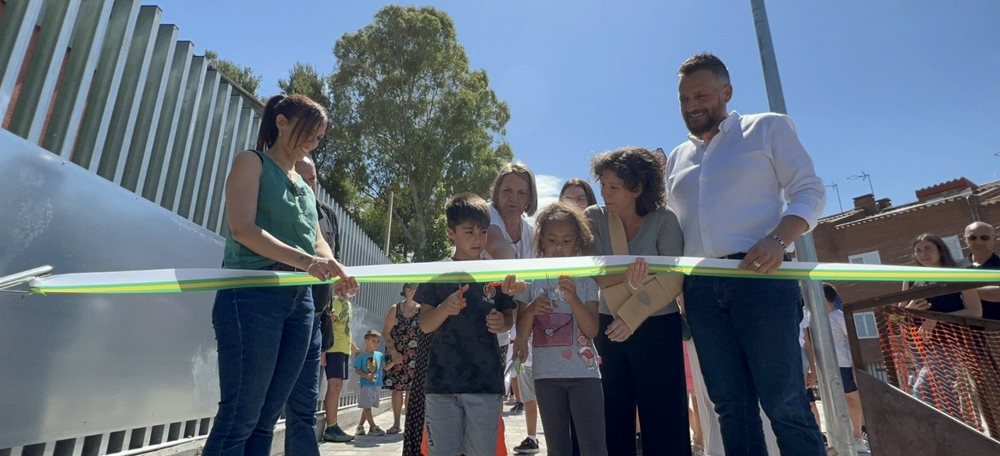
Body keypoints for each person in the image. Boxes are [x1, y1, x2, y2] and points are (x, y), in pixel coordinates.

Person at [665, 53, 827, 455]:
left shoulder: (766, 128)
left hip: (763, 280)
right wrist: (681, 290)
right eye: (683, 99)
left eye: (700, 95)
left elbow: (809, 190)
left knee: (785, 402)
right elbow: (674, 227)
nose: (691, 106)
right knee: (730, 408)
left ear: (727, 92)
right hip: (700, 290)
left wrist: (778, 240)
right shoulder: (676, 158)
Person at [203, 94, 357, 456]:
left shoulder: (305, 189)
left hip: (299, 302)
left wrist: (337, 270)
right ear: (281, 122)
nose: (313, 141)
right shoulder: (250, 162)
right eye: (309, 131)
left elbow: (319, 243)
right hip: (252, 294)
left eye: (319, 137)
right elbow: (243, 229)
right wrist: (308, 263)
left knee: (267, 418)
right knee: (240, 414)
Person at [584, 146, 687, 455]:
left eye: (613, 187)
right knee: (613, 413)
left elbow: (673, 278)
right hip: (609, 327)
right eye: (602, 185)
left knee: (666, 416)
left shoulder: (665, 219)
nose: (604, 193)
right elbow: (595, 274)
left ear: (638, 188)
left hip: (658, 327)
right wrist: (630, 281)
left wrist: (629, 316)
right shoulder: (594, 218)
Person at [415, 193, 518, 456]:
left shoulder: (497, 272)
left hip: (485, 383)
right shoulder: (436, 273)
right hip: (441, 384)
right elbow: (425, 325)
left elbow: (509, 316)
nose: (478, 239)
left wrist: (502, 322)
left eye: (483, 232)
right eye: (469, 231)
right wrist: (445, 309)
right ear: (451, 233)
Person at [512, 202, 608, 456]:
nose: (558, 247)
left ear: (577, 243)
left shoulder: (586, 278)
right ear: (542, 241)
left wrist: (573, 297)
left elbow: (592, 329)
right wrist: (532, 309)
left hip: (584, 375)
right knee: (557, 447)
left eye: (566, 241)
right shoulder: (531, 276)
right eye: (552, 239)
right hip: (545, 376)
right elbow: (521, 328)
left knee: (594, 447)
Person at [283, 156, 348, 455]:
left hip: (318, 319)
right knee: (263, 402)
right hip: (282, 311)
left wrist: (339, 284)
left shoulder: (328, 215)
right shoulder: (281, 205)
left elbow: (332, 259)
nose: (310, 185)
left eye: (314, 180)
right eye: (303, 178)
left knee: (305, 402)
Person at [484, 163, 540, 452]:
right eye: (506, 190)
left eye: (521, 192)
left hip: (507, 323)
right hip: (476, 317)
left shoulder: (532, 232)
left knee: (493, 397)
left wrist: (521, 335)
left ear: (530, 198)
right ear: (496, 192)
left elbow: (526, 295)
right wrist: (514, 274)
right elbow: (496, 245)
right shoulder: (487, 214)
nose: (513, 198)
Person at [901, 233, 982, 425]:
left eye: (928, 248)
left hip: (950, 342)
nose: (923, 254)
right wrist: (909, 309)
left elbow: (975, 311)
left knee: (923, 389)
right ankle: (959, 438)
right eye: (918, 250)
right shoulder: (910, 279)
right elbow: (896, 317)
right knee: (943, 396)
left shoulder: (958, 275)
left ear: (940, 250)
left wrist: (938, 320)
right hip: (919, 344)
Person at [820, 283, 870, 453]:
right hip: (824, 366)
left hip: (843, 364)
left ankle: (857, 436)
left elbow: (851, 341)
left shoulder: (839, 316)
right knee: (830, 401)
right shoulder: (814, 318)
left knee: (851, 398)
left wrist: (855, 365)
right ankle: (836, 439)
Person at [382, 283, 423, 434]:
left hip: (415, 355)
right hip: (396, 355)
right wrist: (393, 352)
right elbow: (386, 332)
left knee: (412, 390)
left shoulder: (422, 310)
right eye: (409, 287)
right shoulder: (395, 308)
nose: (412, 290)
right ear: (404, 291)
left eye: (415, 288)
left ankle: (410, 424)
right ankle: (396, 423)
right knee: (397, 389)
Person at [321, 293, 362, 442]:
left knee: (338, 387)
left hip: (343, 349)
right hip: (334, 348)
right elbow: (328, 326)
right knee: (335, 386)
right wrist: (323, 351)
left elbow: (344, 330)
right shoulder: (337, 301)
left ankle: (333, 425)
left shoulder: (348, 304)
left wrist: (355, 349)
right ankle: (331, 427)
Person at [354, 329, 393, 436]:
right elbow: (357, 370)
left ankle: (360, 426)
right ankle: (372, 427)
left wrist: (394, 362)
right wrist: (366, 376)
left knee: (368, 406)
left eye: (377, 341)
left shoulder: (379, 355)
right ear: (366, 341)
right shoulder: (361, 356)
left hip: (377, 384)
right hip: (365, 385)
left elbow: (385, 367)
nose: (376, 343)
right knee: (367, 406)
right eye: (373, 341)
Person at [964, 222, 1000, 320]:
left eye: (984, 237)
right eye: (972, 238)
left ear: (995, 239)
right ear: (965, 239)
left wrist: (961, 292)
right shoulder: (956, 268)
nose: (978, 242)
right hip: (967, 332)